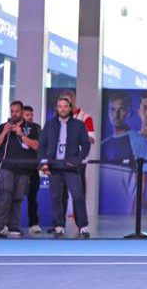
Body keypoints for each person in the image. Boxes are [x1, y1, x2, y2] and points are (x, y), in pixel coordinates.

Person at [38, 96, 91, 238]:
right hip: (54, 165)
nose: (62, 108)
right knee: (56, 197)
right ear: (57, 108)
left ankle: (83, 226)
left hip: (71, 166)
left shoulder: (79, 125)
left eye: (65, 106)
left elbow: (86, 145)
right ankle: (59, 225)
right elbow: (41, 145)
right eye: (60, 106)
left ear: (70, 108)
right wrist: (43, 163)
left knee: (78, 196)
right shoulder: (49, 125)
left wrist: (78, 160)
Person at [0, 101, 41, 238]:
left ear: (21, 112)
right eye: (12, 111)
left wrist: (21, 135)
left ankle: (13, 226)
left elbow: (37, 146)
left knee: (18, 197)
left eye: (17, 111)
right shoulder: (3, 127)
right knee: (5, 195)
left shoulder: (32, 128)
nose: (14, 114)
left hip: (25, 168)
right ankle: (0, 226)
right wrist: (4, 132)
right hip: (7, 166)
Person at [99, 92, 147, 216]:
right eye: (112, 109)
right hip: (104, 213)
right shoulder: (103, 144)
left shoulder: (139, 142)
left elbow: (144, 183)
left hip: (126, 214)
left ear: (130, 113)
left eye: (121, 109)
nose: (116, 114)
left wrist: (135, 214)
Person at [22, 105, 43, 234]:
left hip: (33, 167)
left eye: (31, 115)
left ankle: (34, 223)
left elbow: (39, 146)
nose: (30, 117)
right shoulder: (14, 128)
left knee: (32, 198)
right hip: (18, 168)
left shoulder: (36, 128)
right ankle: (9, 224)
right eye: (27, 115)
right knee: (14, 197)